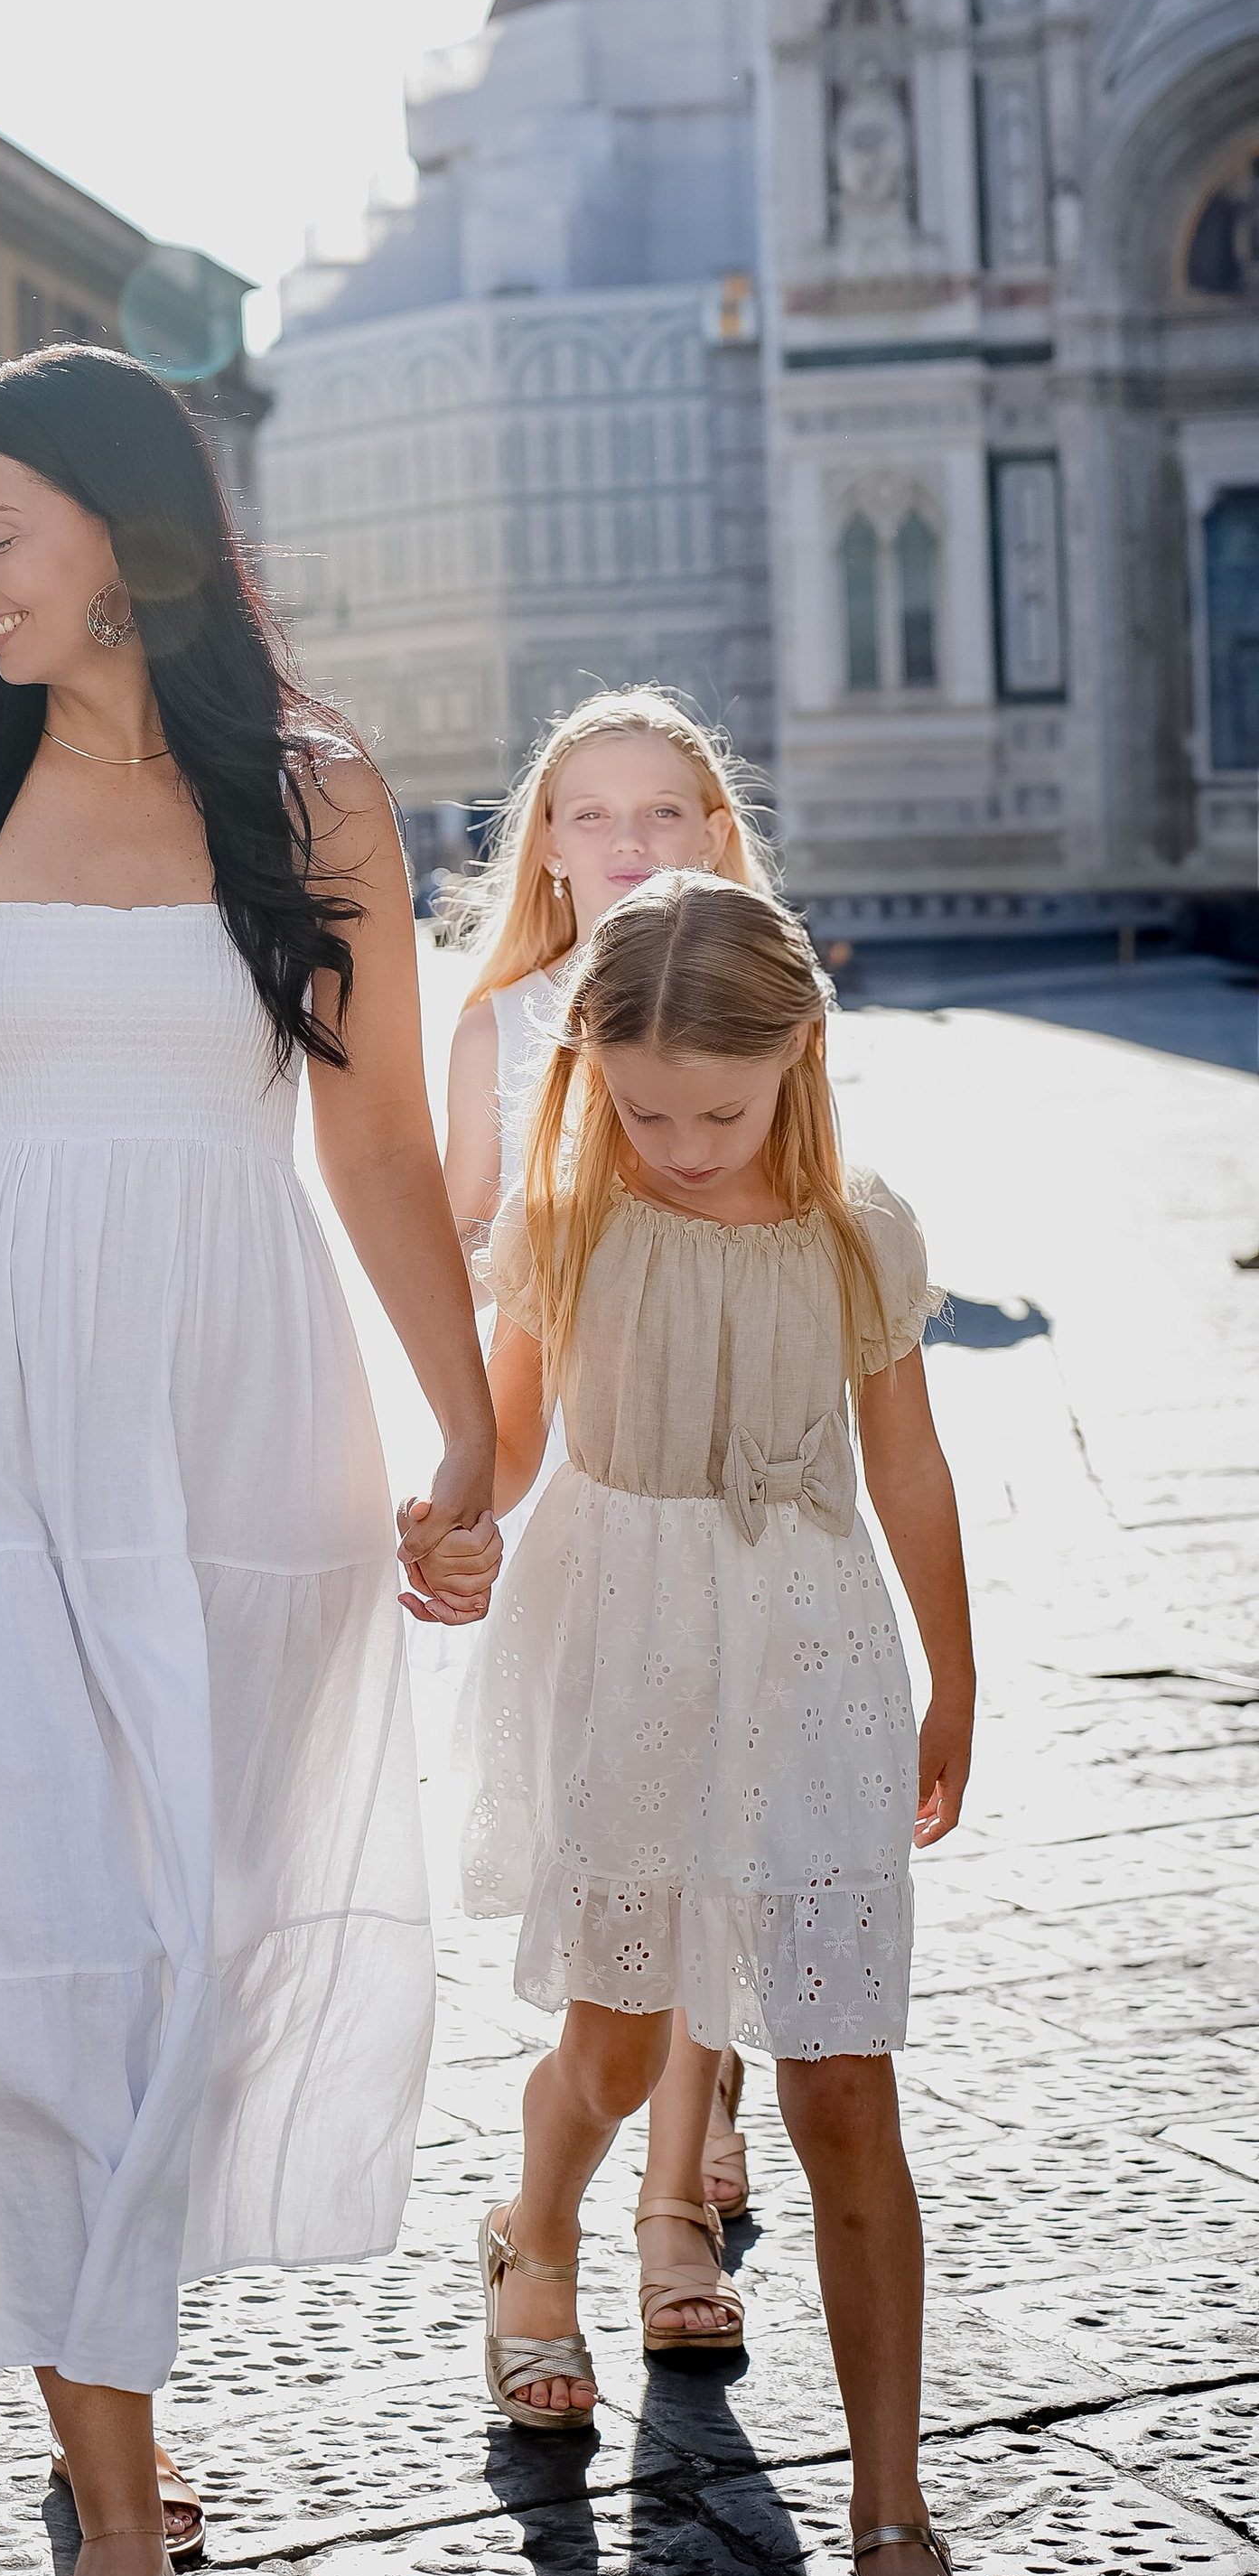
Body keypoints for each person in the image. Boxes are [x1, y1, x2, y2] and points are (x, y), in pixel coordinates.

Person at [0, 346, 502, 2576]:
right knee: (36, 1932)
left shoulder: (318, 798)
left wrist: (471, 1432)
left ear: (125, 520)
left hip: (237, 1399)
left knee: (201, 1932)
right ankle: (115, 2511)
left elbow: (374, 1152)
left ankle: (112, 2421)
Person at [471, 871, 1009, 2576]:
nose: (683, 1145)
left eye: (721, 1107)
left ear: (799, 1055)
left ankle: (888, 2513)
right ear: (589, 1080)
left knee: (840, 2080)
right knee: (615, 2051)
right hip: (621, 1658)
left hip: (809, 1657)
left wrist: (953, 1679)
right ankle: (534, 2228)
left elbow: (911, 1469)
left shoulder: (858, 1231)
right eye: (643, 1111)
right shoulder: (567, 1217)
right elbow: (503, 1438)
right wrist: (440, 1519)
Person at [442, 689, 773, 2334]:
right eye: (592, 815)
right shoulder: (502, 1027)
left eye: (664, 813)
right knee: (625, 1874)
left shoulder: (774, 1002)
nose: (629, 843)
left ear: (714, 836)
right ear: (547, 851)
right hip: (582, 1492)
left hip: (748, 1503)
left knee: (725, 1841)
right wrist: (455, 1487)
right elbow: (469, 1281)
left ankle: (670, 2221)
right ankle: (569, 2192)